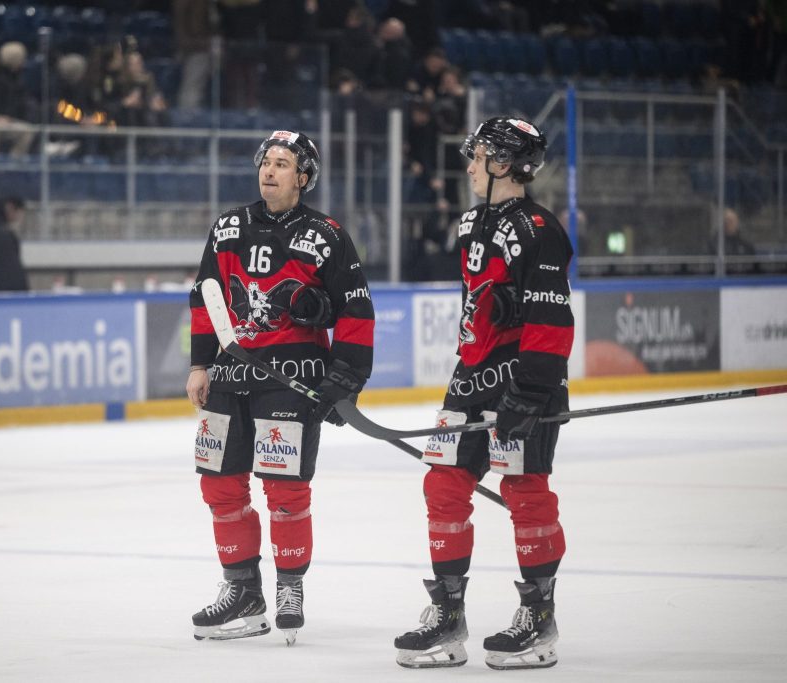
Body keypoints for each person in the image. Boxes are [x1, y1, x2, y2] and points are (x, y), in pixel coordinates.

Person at [393, 117, 574, 670]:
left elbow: (551, 321)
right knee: (442, 484)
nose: (469, 166)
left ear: (502, 164)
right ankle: (448, 617)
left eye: (477, 157)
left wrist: (531, 392)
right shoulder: (471, 222)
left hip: (524, 381)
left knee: (525, 491)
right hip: (470, 379)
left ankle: (539, 620)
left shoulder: (542, 229)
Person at [186, 130, 375, 645]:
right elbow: (206, 299)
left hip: (289, 381)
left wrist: (345, 379)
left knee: (285, 491)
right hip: (229, 375)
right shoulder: (227, 227)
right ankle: (243, 591)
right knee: (219, 486)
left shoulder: (327, 234)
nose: (270, 170)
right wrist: (199, 364)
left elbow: (356, 309)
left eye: (284, 163)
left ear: (304, 177)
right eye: (266, 161)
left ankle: (290, 586)